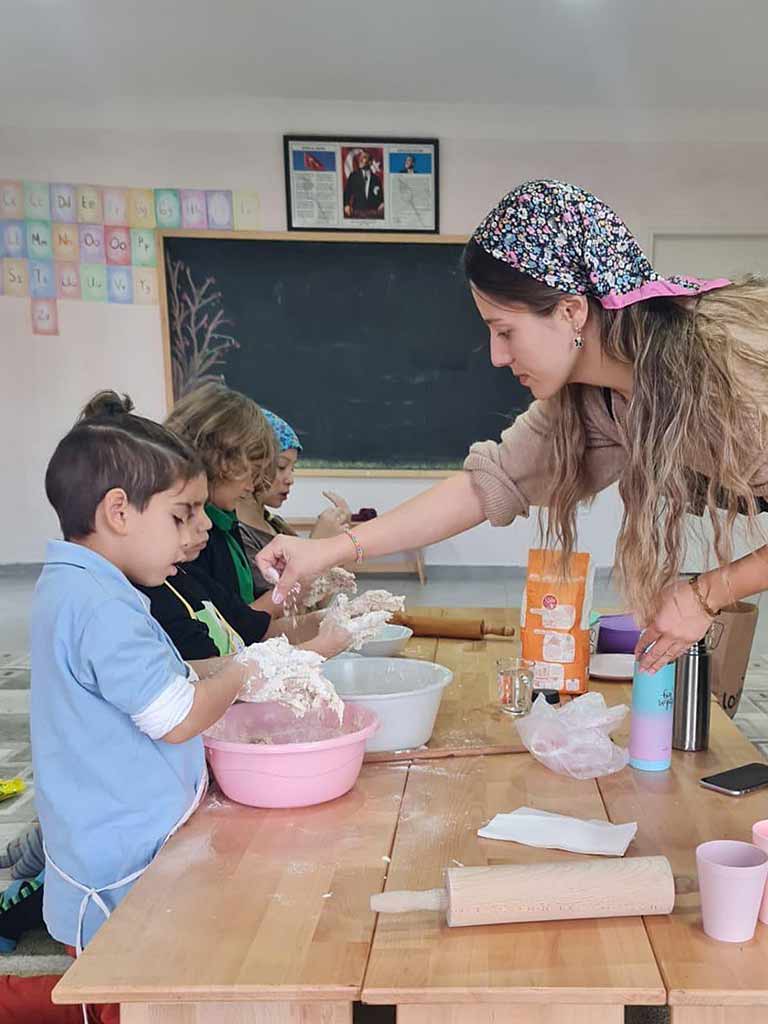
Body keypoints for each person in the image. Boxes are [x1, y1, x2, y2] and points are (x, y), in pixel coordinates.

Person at [256, 178, 768, 675]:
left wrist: (706, 593)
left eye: (506, 331)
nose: (498, 356)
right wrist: (327, 551)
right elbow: (485, 488)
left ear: (571, 310)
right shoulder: (595, 400)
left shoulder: (730, 371)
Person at [31, 404, 254, 956]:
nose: (196, 531)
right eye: (181, 515)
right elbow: (176, 716)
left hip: (120, 855)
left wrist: (225, 672)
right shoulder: (101, 605)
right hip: (118, 886)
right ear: (119, 512)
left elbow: (161, 676)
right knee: (134, 1001)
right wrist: (251, 668)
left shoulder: (81, 587)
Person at [165, 382, 278, 609]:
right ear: (219, 463)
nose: (253, 486)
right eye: (251, 473)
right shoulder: (193, 538)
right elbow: (234, 624)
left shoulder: (226, 518)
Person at [237, 408, 351, 591]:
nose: (290, 479)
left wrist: (337, 548)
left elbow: (317, 602)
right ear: (251, 465)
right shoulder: (240, 537)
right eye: (281, 466)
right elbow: (283, 610)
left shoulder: (277, 526)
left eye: (293, 469)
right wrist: (316, 546)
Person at [343, 150, 384, 218]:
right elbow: (347, 193)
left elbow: (381, 198)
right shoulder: (353, 176)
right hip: (357, 213)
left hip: (373, 214)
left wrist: (382, 204)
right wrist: (346, 205)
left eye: (364, 157)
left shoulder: (376, 179)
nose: (360, 159)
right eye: (360, 157)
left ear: (370, 162)